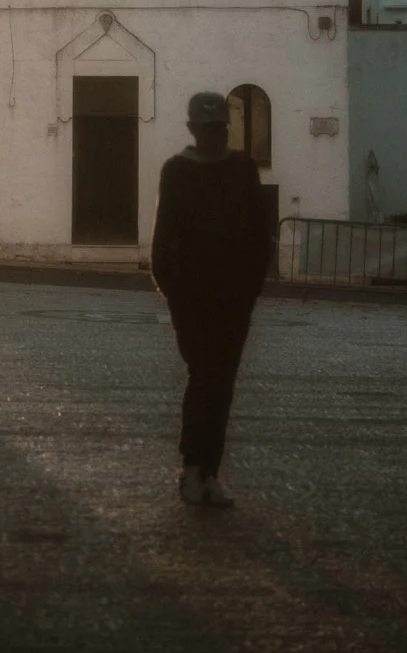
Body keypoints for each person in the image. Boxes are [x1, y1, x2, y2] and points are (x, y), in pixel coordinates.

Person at [151, 91, 271, 509]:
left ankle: (208, 471)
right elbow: (163, 240)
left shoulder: (242, 169)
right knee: (206, 377)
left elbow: (259, 233)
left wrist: (251, 287)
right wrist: (175, 295)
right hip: (194, 300)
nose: (214, 135)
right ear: (192, 130)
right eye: (207, 129)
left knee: (221, 383)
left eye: (219, 127)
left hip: (234, 299)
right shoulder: (177, 171)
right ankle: (193, 468)